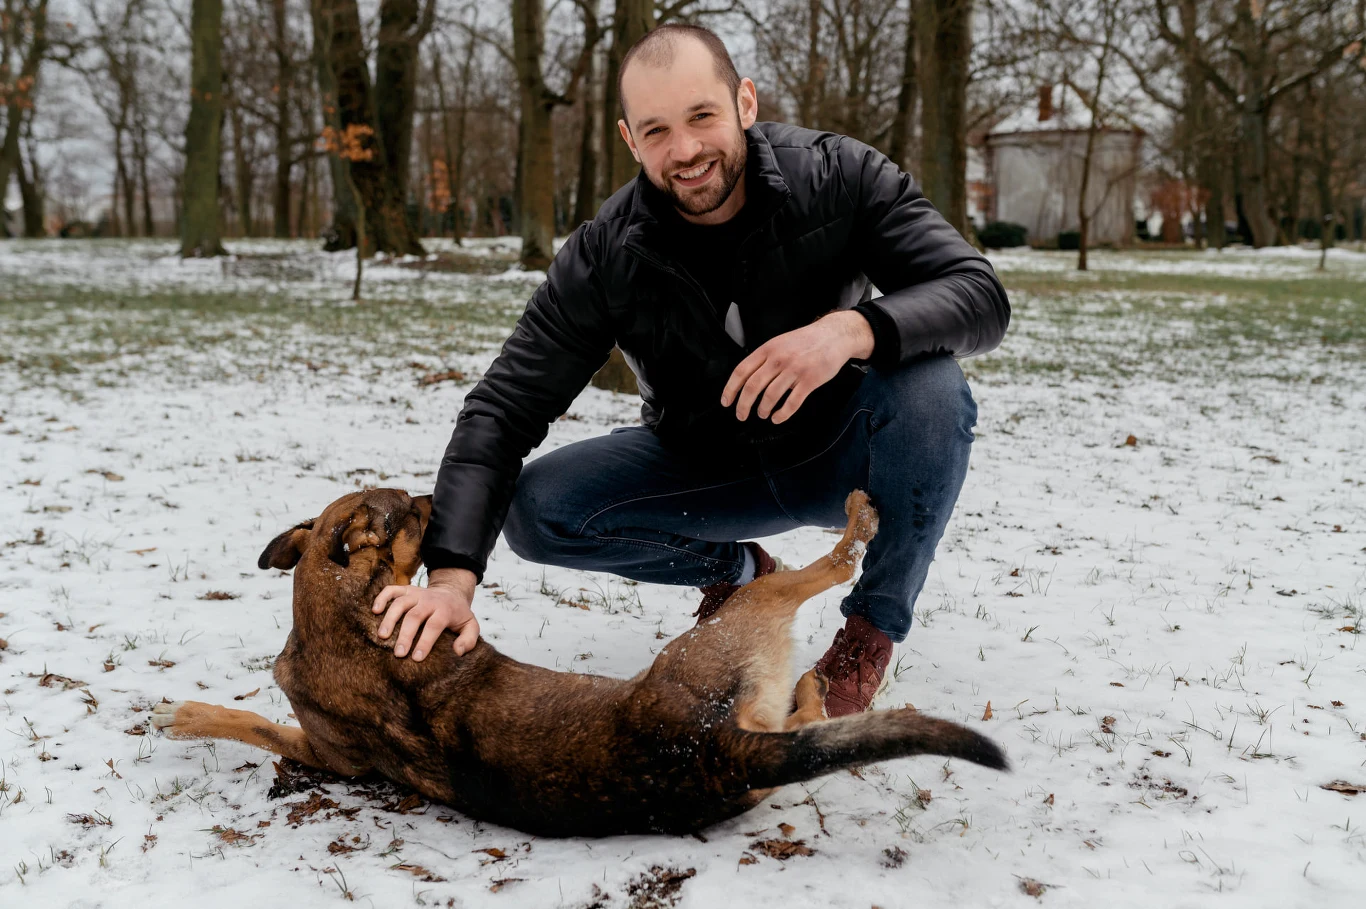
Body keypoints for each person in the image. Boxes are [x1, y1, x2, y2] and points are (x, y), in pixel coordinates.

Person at [372, 23, 1009, 717]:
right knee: (537, 510)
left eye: (702, 116)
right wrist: (453, 579)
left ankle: (869, 632)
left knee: (932, 387)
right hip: (703, 466)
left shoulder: (839, 176)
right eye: (656, 131)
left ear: (744, 101)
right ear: (629, 139)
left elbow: (977, 292)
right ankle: (739, 573)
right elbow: (503, 407)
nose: (685, 151)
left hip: (843, 457)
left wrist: (850, 330)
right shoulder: (605, 253)